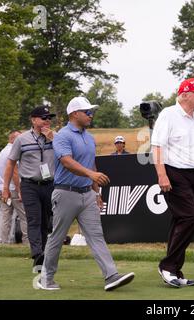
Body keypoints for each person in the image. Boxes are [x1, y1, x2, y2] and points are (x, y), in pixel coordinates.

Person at [37, 96, 135, 291]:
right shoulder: (63, 135)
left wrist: (97, 193)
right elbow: (66, 161)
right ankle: (46, 279)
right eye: (87, 112)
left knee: (96, 235)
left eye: (91, 111)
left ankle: (111, 276)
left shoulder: (89, 138)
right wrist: (91, 174)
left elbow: (91, 164)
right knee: (57, 237)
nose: (91, 115)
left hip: (87, 195)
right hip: (65, 193)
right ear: (74, 114)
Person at [151, 78, 194, 288]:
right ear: (184, 95)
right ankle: (167, 266)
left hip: (193, 173)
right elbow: (157, 147)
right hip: (174, 173)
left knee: (180, 221)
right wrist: (161, 175)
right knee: (190, 216)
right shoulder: (168, 114)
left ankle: (175, 270)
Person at [2, 106, 56, 272]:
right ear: (33, 120)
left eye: (49, 118)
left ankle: (43, 256)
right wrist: (6, 188)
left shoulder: (56, 137)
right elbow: (11, 163)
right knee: (33, 220)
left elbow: (66, 157)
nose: (47, 121)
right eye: (43, 118)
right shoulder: (22, 139)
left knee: (46, 223)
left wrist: (52, 140)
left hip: (50, 184)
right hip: (30, 185)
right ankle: (38, 255)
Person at [0, 130, 28, 244]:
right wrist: (20, 190)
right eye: (20, 139)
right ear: (14, 139)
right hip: (12, 189)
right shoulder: (12, 151)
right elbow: (14, 172)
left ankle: (3, 242)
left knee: (5, 217)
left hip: (1, 187)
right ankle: (27, 242)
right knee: (24, 215)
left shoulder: (3, 151)